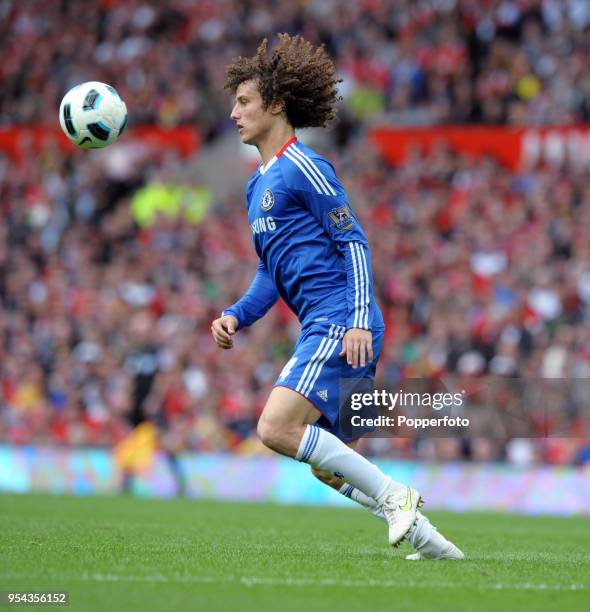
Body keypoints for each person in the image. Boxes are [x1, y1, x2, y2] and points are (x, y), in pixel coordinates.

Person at [211, 33, 463, 560]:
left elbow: (354, 242)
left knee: (276, 428)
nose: (233, 112)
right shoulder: (255, 187)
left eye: (243, 102)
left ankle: (399, 497)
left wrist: (353, 319)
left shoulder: (304, 166)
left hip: (341, 322)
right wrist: (236, 314)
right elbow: (270, 272)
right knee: (330, 464)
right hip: (331, 323)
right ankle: (432, 542)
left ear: (276, 105)